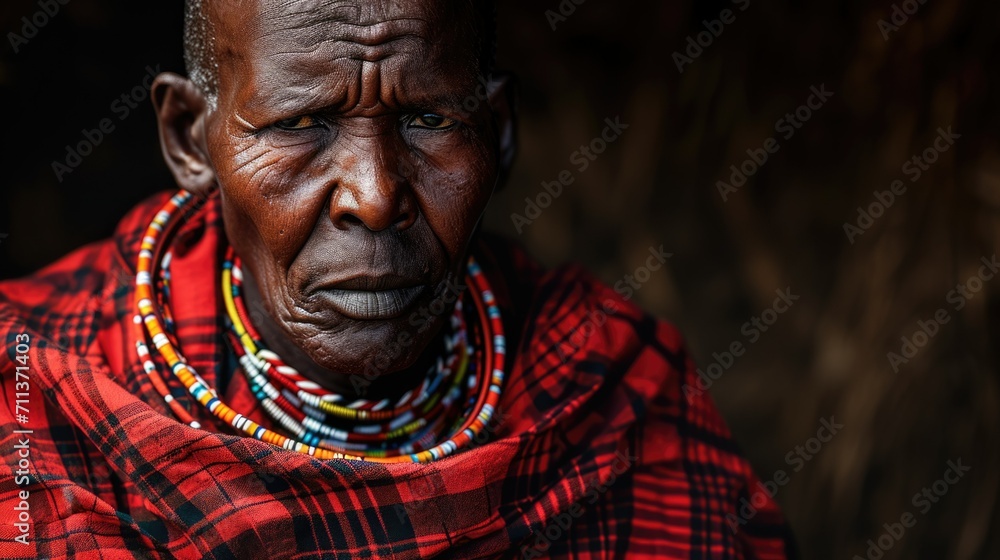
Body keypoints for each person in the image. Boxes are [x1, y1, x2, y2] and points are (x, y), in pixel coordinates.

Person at [0, 1, 795, 557]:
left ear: (499, 132)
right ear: (189, 140)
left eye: (430, 119)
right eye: (299, 124)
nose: (376, 197)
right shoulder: (33, 392)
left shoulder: (614, 387)